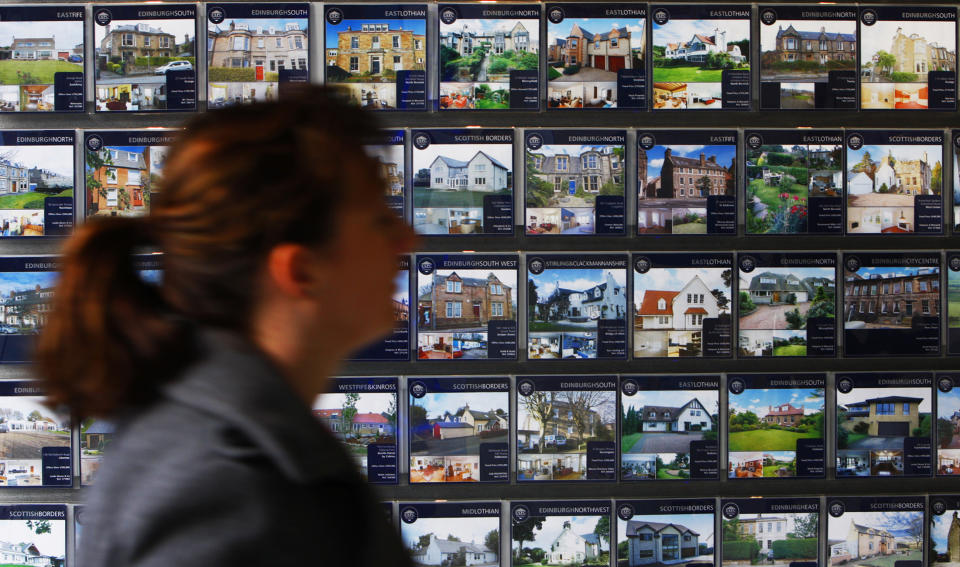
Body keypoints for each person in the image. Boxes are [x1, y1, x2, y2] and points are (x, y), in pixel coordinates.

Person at [36, 86, 417, 566]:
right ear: (301, 271)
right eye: (381, 221)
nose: (409, 238)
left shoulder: (232, 445)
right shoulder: (225, 490)